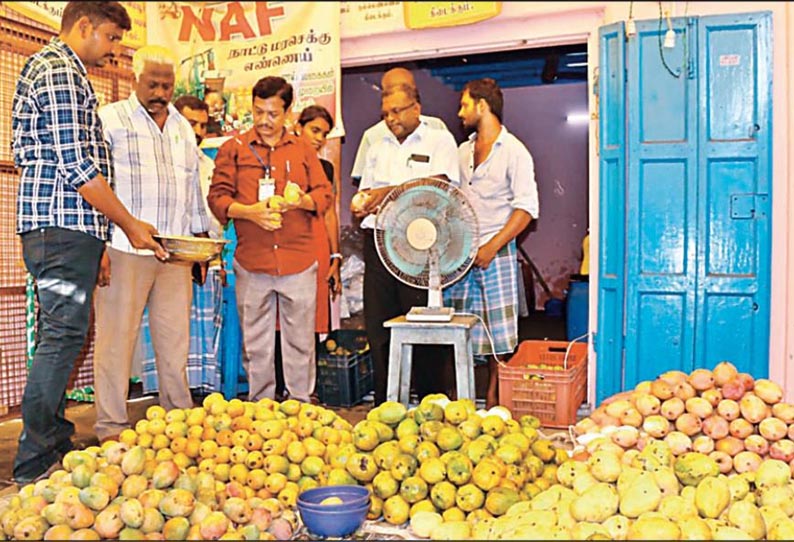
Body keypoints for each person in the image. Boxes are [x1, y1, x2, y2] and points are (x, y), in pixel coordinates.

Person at [10, 1, 165, 484]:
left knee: (63, 336)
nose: (114, 50)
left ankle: (53, 438)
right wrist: (129, 224)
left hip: (68, 229)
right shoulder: (59, 71)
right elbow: (78, 166)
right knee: (61, 337)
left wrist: (97, 241)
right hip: (59, 225)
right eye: (112, 38)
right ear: (83, 26)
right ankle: (34, 459)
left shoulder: (65, 70)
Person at [93, 45, 210, 442]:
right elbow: (95, 186)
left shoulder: (181, 127)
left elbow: (192, 189)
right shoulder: (111, 120)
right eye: (153, 84)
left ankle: (179, 421)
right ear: (134, 78)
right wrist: (99, 246)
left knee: (175, 341)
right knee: (116, 342)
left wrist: (199, 240)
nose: (161, 93)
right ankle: (111, 426)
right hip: (124, 249)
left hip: (175, 253)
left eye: (167, 85)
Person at [208, 76, 332, 403]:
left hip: (298, 260)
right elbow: (217, 198)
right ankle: (260, 409)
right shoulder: (233, 149)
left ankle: (300, 407)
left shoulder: (303, 149)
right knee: (256, 345)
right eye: (258, 111)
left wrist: (301, 201)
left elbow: (324, 194)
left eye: (273, 114)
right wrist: (250, 213)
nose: (264, 120)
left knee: (301, 344)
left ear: (288, 113)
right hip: (252, 261)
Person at [353, 83, 459, 405]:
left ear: (416, 108)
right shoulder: (376, 147)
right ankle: (387, 406)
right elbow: (367, 193)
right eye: (385, 113)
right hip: (379, 242)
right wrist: (362, 203)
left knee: (423, 326)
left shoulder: (438, 139)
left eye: (397, 111)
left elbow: (440, 184)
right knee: (380, 328)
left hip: (419, 246)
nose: (391, 119)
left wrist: (387, 193)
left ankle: (431, 404)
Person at [443, 78, 539, 408]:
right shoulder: (461, 152)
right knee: (460, 329)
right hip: (461, 255)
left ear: (482, 106)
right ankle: (462, 398)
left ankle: (493, 397)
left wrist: (492, 247)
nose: (460, 113)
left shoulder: (514, 151)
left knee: (499, 335)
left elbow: (526, 209)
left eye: (465, 105)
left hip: (496, 252)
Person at [275, 105, 341, 400]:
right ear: (297, 127)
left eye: (324, 134)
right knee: (279, 320)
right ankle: (278, 389)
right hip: (284, 248)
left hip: (317, 249)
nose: (319, 139)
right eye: (314, 130)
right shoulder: (277, 159)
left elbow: (329, 213)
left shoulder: (325, 168)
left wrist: (335, 257)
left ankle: (304, 392)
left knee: (310, 320)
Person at [350, 67, 448, 187]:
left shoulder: (437, 128)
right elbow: (364, 188)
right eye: (392, 89)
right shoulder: (372, 136)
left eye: (406, 88)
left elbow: (445, 183)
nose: (398, 93)